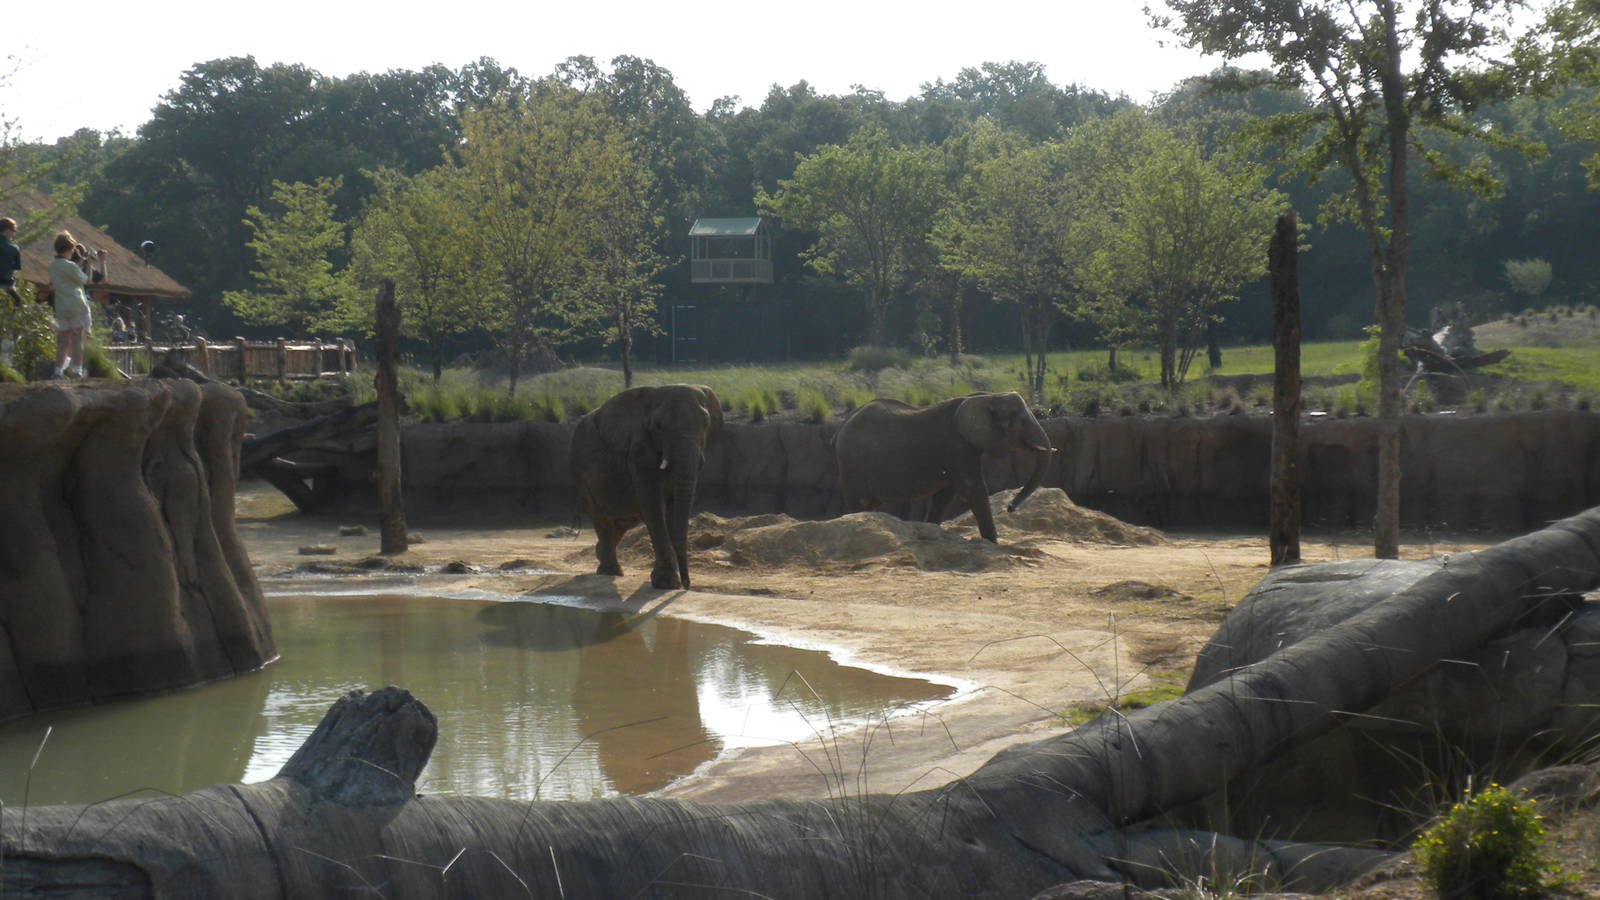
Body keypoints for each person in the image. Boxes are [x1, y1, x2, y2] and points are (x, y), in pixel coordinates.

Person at [47, 231, 105, 379]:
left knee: (63, 341)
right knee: (77, 340)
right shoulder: (71, 266)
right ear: (68, 248)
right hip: (77, 305)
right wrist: (90, 265)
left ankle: (57, 371)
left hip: (61, 307)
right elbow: (86, 280)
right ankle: (77, 371)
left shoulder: (52, 266)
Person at [0, 217, 20, 304]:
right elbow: (15, 268)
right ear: (8, 230)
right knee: (17, 302)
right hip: (5, 285)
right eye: (14, 231)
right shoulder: (13, 248)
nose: (13, 234)